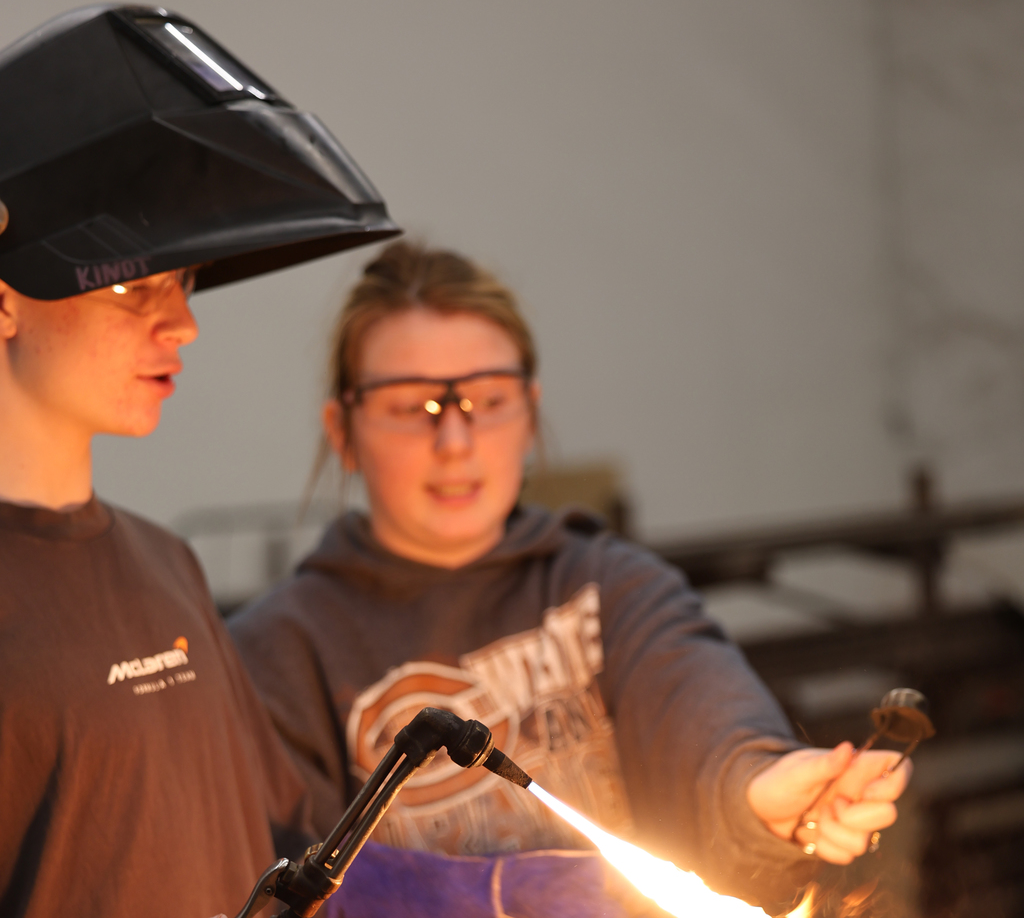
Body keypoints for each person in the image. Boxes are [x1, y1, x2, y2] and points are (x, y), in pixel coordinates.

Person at [229, 241, 911, 914]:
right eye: (413, 407)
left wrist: (761, 790)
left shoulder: (609, 586)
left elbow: (706, 717)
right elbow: (277, 877)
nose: (456, 442)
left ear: (530, 411)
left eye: (488, 399)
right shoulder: (279, 652)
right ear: (342, 428)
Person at [0, 3, 398, 917]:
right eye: (135, 284)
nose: (182, 323)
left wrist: (491, 890)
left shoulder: (166, 564)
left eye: (181, 281)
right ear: (6, 299)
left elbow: (287, 844)